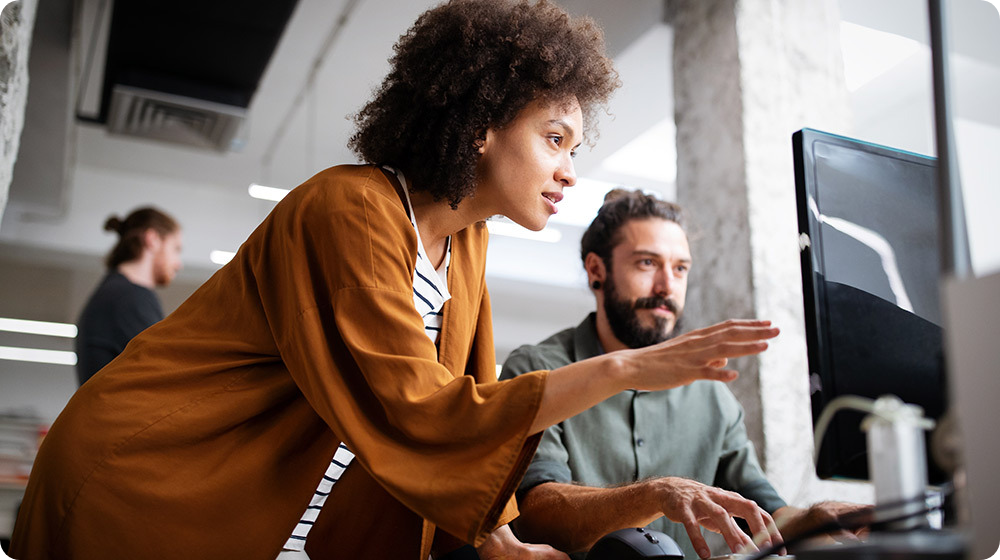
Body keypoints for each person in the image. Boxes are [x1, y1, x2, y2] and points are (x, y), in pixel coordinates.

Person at [9, 2, 781, 559]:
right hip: (153, 482)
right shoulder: (347, 208)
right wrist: (625, 368)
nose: (570, 172)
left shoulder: (467, 243)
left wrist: (498, 541)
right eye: (554, 139)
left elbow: (471, 408)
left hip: (283, 511)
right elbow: (424, 410)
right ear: (482, 123)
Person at [500, 189, 868, 560]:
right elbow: (536, 514)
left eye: (680, 268)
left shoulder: (711, 392)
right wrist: (655, 494)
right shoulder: (537, 370)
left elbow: (764, 512)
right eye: (647, 263)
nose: (666, 287)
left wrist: (815, 519)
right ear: (597, 270)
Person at [74, 207, 184, 386]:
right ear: (152, 239)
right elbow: (164, 374)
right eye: (176, 249)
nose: (179, 264)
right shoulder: (129, 296)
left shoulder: (116, 292)